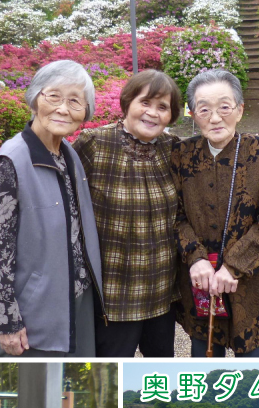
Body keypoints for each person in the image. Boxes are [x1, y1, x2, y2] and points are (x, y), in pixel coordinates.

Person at [0, 59, 106, 357]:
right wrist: (7, 322)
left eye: (75, 101)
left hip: (75, 303)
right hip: (35, 317)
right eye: (54, 96)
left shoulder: (67, 153)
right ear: (35, 99)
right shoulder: (11, 162)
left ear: (85, 112)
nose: (63, 108)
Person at [174, 69, 259, 357]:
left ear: (239, 110)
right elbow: (174, 215)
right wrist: (196, 258)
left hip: (253, 280)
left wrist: (233, 266)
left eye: (224, 107)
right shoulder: (182, 154)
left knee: (253, 377)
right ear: (192, 114)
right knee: (206, 370)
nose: (215, 118)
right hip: (202, 282)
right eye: (204, 109)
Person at [74, 69, 182, 357]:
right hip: (113, 295)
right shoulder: (94, 143)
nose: (152, 113)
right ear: (127, 103)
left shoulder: (174, 149)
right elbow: (58, 196)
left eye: (163, 107)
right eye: (145, 102)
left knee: (157, 376)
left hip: (161, 290)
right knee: (112, 376)